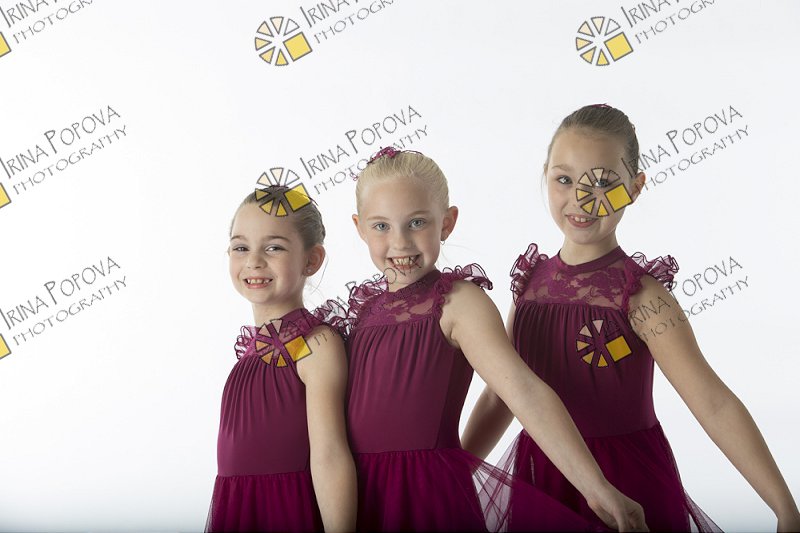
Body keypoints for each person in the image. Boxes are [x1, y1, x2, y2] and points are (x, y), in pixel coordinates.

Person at [461, 104, 800, 532]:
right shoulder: (531, 286)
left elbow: (712, 403)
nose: (581, 199)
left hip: (628, 477)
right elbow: (501, 395)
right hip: (545, 476)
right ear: (545, 175)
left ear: (635, 188)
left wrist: (784, 507)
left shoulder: (640, 296)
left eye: (604, 183)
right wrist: (458, 474)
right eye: (564, 179)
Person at [323, 147, 647, 531]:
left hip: (427, 497)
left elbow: (522, 390)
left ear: (447, 223)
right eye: (381, 226)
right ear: (359, 227)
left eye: (417, 222)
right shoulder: (362, 312)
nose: (401, 243)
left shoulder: (458, 303)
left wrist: (595, 488)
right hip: (357, 495)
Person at [206, 186, 356, 532]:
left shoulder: (315, 345)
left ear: (311, 260)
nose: (254, 261)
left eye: (273, 247)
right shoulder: (250, 353)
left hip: (287, 510)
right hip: (239, 509)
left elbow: (329, 456)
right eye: (241, 247)